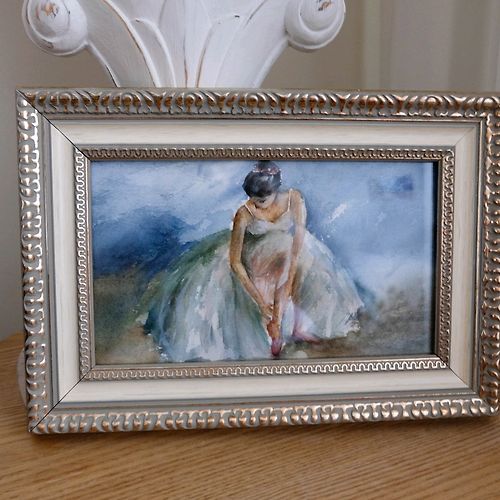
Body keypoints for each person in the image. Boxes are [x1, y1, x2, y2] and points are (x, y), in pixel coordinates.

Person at [141, 160, 362, 361]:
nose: (257, 203)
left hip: (287, 249)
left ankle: (291, 326)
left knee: (298, 261)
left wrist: (293, 263)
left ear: (275, 190)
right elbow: (235, 262)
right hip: (254, 252)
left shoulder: (294, 198)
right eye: (253, 199)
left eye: (262, 199)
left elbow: (299, 234)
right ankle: (274, 328)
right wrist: (260, 303)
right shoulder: (244, 213)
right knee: (278, 267)